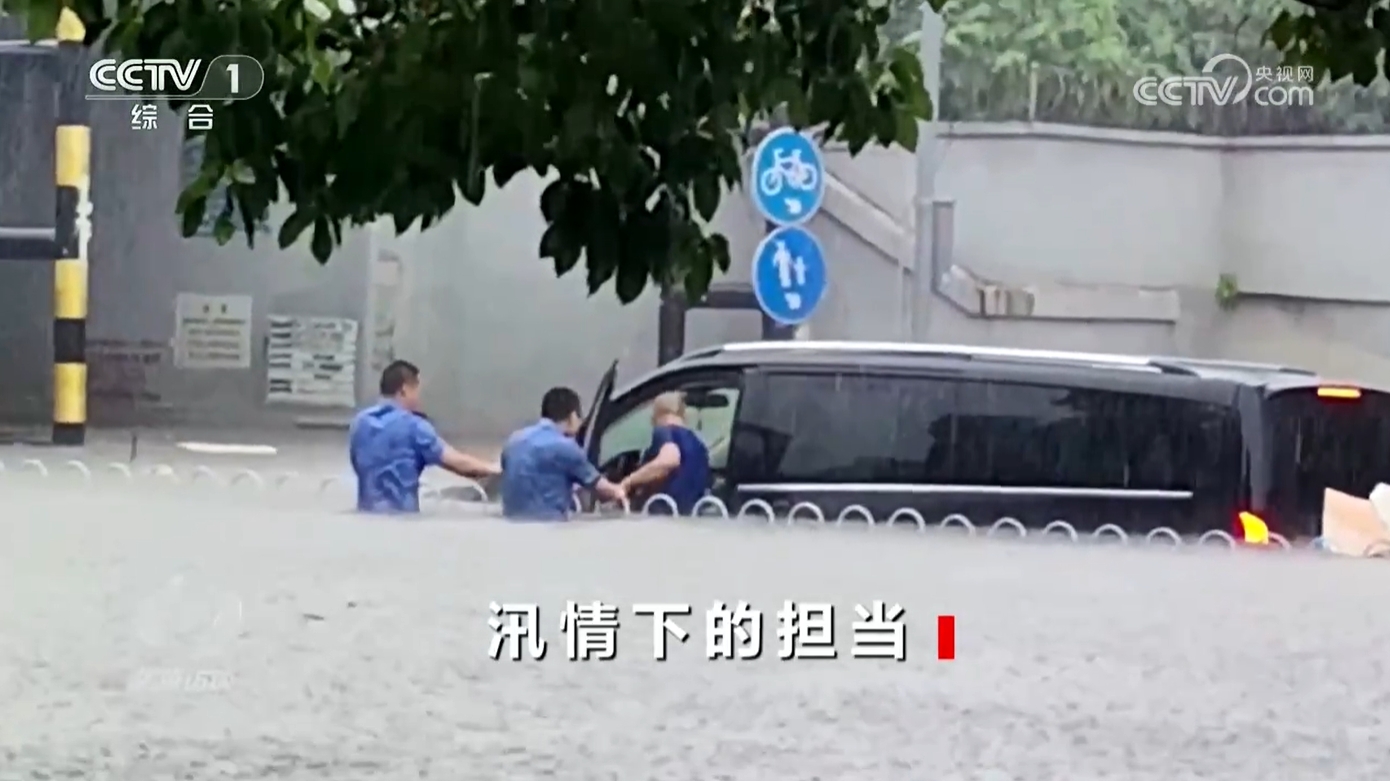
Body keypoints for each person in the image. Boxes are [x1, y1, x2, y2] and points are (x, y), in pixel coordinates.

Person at [349, 360, 500, 514]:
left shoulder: (360, 423)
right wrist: (495, 469)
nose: (418, 398)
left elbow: (358, 467)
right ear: (404, 390)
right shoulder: (414, 426)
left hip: (366, 514)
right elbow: (457, 463)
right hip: (402, 518)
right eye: (416, 390)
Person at [500, 386, 626, 520]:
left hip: (510, 523)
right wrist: (619, 491)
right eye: (579, 418)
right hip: (549, 525)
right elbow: (600, 486)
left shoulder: (514, 440)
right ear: (572, 416)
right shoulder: (567, 447)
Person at [619, 391, 711, 515]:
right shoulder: (698, 443)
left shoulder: (664, 432)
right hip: (691, 517)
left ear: (657, 413)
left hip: (664, 514)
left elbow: (669, 460)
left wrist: (629, 481)